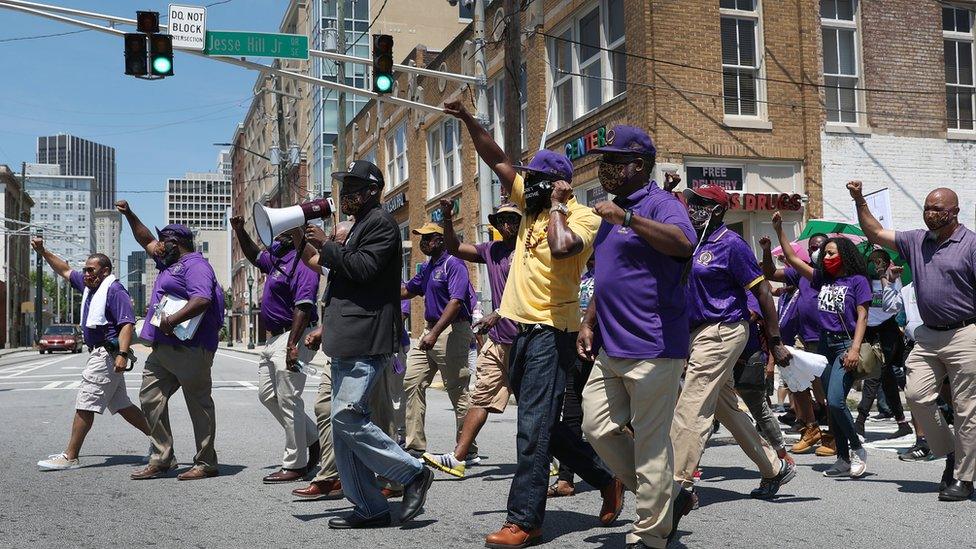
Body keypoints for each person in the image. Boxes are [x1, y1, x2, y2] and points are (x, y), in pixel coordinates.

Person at [447, 100, 622, 549]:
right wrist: (469, 118)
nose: (527, 186)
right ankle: (607, 478)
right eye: (531, 181)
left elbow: (564, 250)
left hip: (552, 332)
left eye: (539, 180)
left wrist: (560, 205)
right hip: (516, 332)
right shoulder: (529, 204)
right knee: (550, 425)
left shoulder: (582, 216)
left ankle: (524, 521)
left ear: (559, 183)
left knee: (532, 428)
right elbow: (497, 159)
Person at [575, 125, 698, 549]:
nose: (606, 168)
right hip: (612, 344)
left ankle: (649, 534)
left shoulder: (662, 204)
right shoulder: (612, 212)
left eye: (614, 160)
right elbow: (606, 277)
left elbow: (684, 243)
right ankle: (668, 494)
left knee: (650, 443)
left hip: (655, 344)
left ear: (639, 165)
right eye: (604, 160)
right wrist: (590, 321)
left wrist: (629, 218)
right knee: (596, 427)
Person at [303, 160, 433, 528]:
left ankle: (412, 473)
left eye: (355, 188)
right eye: (345, 187)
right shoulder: (361, 224)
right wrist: (304, 239)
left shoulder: (381, 224)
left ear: (373, 191)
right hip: (347, 338)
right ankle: (369, 507)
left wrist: (327, 244)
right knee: (342, 429)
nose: (346, 194)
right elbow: (339, 271)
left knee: (346, 417)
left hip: (366, 337)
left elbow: (361, 269)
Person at [849, 180, 975, 501]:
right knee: (917, 395)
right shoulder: (916, 241)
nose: (930, 214)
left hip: (966, 332)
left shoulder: (971, 245)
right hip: (929, 334)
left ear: (954, 212)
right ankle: (950, 452)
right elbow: (876, 234)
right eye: (927, 208)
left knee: (965, 408)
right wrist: (860, 200)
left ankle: (963, 477)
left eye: (937, 209)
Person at [672, 184, 795, 503]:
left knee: (693, 402)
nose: (692, 207)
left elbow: (764, 293)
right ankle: (773, 467)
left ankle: (677, 482)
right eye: (691, 201)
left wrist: (776, 340)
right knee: (728, 408)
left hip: (723, 329)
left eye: (700, 203)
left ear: (717, 210)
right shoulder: (694, 241)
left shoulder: (731, 244)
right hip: (698, 333)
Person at [117, 201, 225, 481]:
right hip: (163, 348)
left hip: (190, 348)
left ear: (177, 242)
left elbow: (202, 298)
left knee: (198, 404)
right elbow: (145, 239)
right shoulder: (169, 261)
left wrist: (172, 320)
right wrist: (130, 213)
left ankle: (206, 462)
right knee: (149, 398)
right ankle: (162, 457)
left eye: (164, 241)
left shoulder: (196, 265)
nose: (159, 246)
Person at [32, 238, 151, 471]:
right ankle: (161, 442)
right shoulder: (90, 287)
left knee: (85, 403)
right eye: (85, 269)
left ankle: (70, 456)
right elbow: (64, 269)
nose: (85, 273)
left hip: (106, 355)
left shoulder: (115, 290)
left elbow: (127, 325)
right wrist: (43, 251)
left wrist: (123, 355)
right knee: (123, 406)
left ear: (104, 271)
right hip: (100, 353)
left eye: (90, 270)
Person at [424, 201, 522, 478]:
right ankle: (458, 458)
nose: (506, 225)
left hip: (527, 338)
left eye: (512, 219)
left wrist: (498, 313)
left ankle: (547, 458)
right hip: (499, 339)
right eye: (501, 220)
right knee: (480, 396)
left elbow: (534, 291)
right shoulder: (493, 250)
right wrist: (447, 218)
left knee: (531, 404)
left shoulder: (531, 249)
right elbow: (456, 248)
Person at [773, 209, 872, 479]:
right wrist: (779, 230)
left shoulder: (858, 281)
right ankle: (841, 457)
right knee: (830, 403)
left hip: (845, 346)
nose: (824, 257)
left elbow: (862, 316)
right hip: (826, 346)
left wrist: (853, 349)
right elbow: (793, 258)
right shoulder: (821, 279)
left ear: (844, 255)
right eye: (823, 253)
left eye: (830, 253)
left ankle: (856, 450)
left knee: (838, 402)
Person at [230, 217, 321, 484]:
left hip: (292, 336)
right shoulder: (278, 259)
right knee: (268, 395)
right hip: (273, 340)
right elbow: (254, 255)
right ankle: (312, 438)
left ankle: (296, 464)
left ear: (294, 234)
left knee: (289, 399)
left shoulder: (303, 260)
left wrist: (292, 344)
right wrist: (239, 231)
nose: (273, 237)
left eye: (280, 232)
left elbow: (303, 305)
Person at [400, 222, 476, 460]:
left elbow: (455, 302)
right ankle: (415, 445)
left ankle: (467, 449)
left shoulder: (454, 264)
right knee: (412, 382)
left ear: (440, 240)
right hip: (430, 331)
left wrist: (434, 334)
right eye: (421, 238)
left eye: (428, 238)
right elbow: (409, 291)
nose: (423, 243)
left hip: (451, 331)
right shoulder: (429, 266)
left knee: (458, 391)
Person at [291, 220, 353, 501]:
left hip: (366, 349)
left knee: (375, 417)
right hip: (338, 347)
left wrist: (325, 244)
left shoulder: (360, 263)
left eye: (337, 239)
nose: (331, 242)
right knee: (324, 406)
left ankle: (399, 475)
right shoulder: (336, 265)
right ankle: (330, 477)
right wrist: (297, 231)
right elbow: (312, 259)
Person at [759, 233, 833, 455]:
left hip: (826, 340)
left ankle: (833, 437)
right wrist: (767, 247)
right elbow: (770, 273)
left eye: (821, 247)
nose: (816, 251)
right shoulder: (801, 273)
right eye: (812, 247)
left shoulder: (836, 274)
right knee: (796, 384)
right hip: (803, 339)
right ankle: (810, 429)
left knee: (827, 393)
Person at [549, 255, 596, 498]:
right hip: (576, 352)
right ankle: (566, 478)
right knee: (571, 416)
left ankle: (628, 472)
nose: (590, 258)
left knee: (618, 420)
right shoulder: (582, 279)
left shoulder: (613, 276)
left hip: (605, 353)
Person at [854, 249, 912, 440]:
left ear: (887, 263)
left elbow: (892, 306)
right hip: (868, 331)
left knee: (875, 373)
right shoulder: (864, 281)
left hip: (888, 331)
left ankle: (860, 422)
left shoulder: (894, 279)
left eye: (880, 261)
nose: (876, 265)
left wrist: (886, 279)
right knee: (887, 378)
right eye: (873, 261)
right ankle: (902, 422)